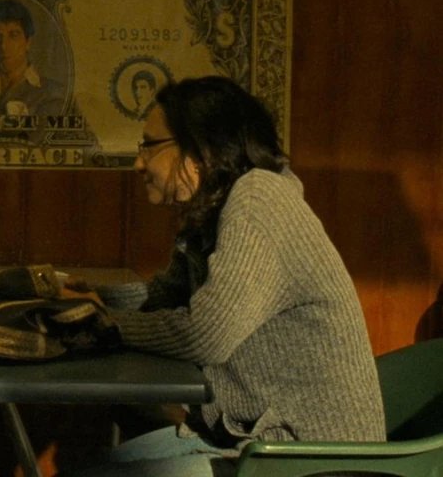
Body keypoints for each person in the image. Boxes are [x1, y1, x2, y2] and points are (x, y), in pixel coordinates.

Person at [56, 76, 385, 476]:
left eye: (150, 145)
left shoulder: (259, 199)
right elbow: (167, 295)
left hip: (315, 461)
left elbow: (205, 335)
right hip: (263, 445)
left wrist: (105, 323)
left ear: (202, 152)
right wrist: (95, 299)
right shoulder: (215, 207)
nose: (138, 162)